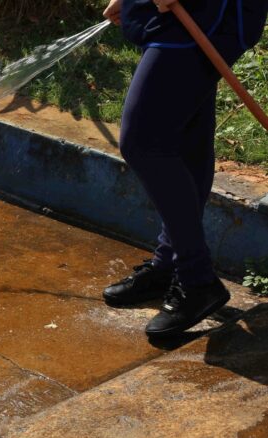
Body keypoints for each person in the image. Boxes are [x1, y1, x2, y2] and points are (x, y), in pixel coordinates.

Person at [101, 0, 268, 336]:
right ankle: (170, 262)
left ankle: (197, 278)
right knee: (186, 139)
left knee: (142, 141)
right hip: (182, 13)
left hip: (212, 12)